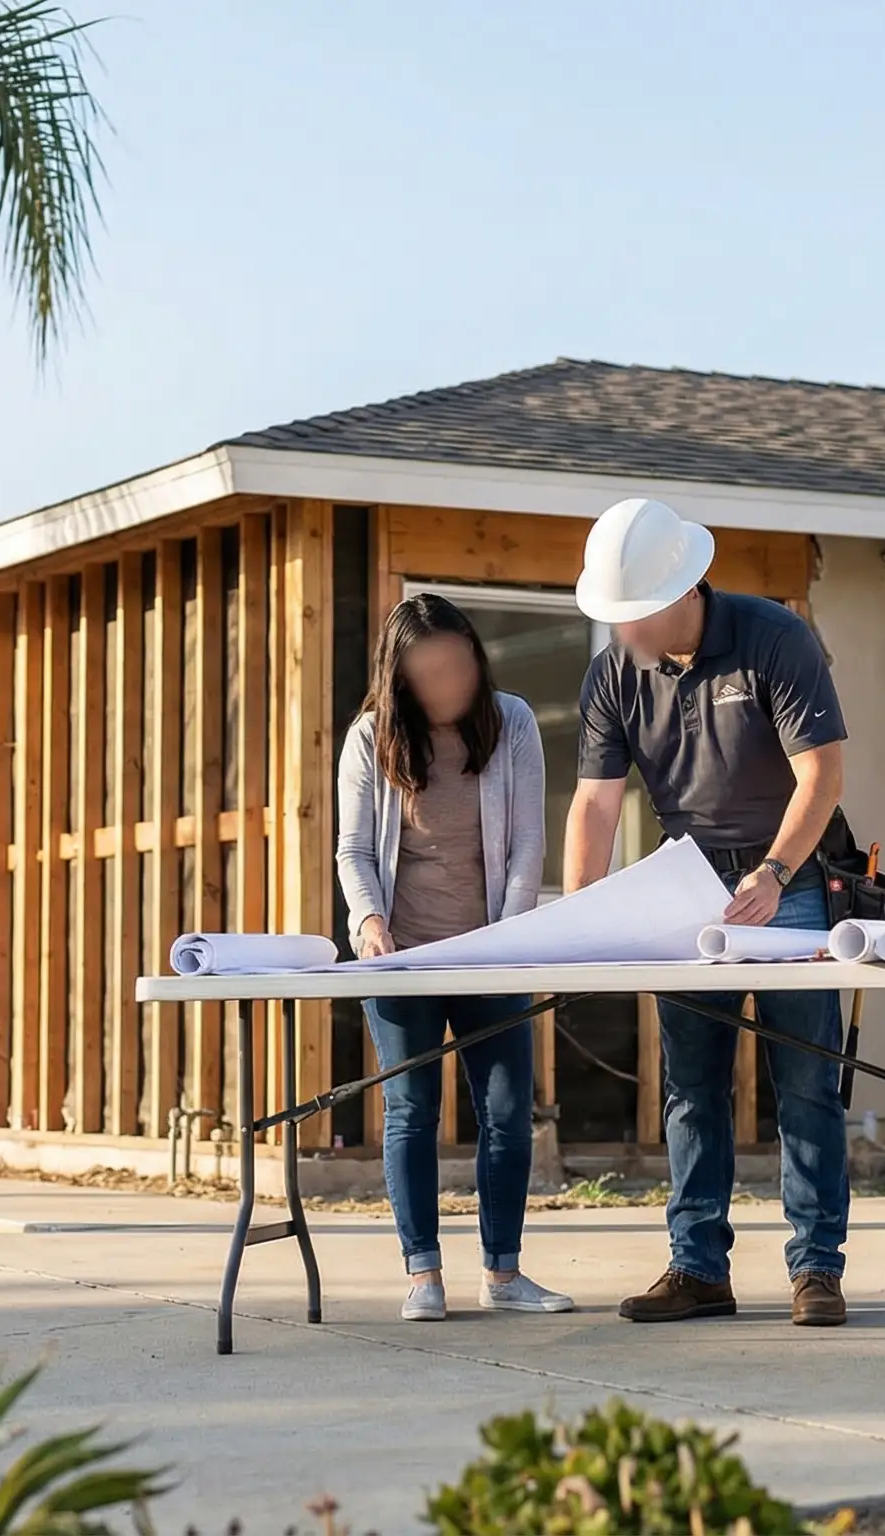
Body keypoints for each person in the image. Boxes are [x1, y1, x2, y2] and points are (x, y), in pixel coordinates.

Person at [562, 497, 853, 1327]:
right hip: (685, 891)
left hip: (790, 883)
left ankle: (816, 1270)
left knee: (805, 1081)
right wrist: (581, 918)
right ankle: (697, 1269)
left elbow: (822, 775)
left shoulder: (773, 638)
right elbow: (593, 806)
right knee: (691, 1087)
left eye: (633, 616)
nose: (622, 632)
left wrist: (774, 871)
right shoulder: (615, 672)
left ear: (681, 590)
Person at [335, 593, 574, 1322]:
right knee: (412, 1112)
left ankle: (503, 1274)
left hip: (490, 952)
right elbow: (353, 850)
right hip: (403, 956)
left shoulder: (515, 724)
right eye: (429, 674)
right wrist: (371, 922)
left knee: (505, 1113)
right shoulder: (371, 737)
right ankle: (422, 1274)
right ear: (400, 679)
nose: (448, 685)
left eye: (458, 667)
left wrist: (508, 938)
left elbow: (528, 842)